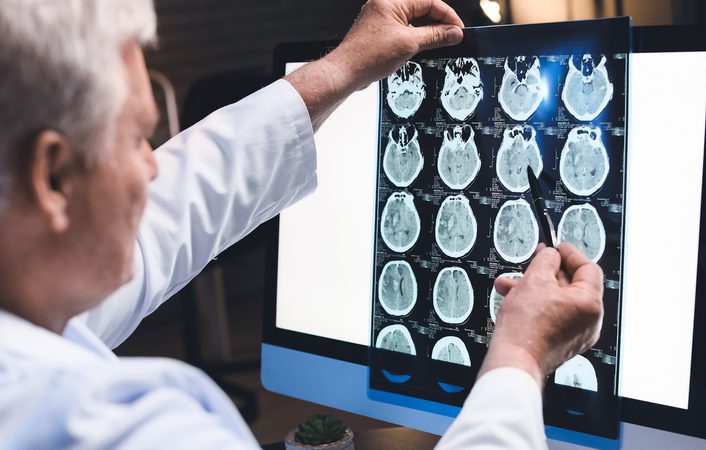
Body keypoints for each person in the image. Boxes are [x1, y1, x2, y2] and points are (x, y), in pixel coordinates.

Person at [0, 0, 603, 448]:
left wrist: (337, 71)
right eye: (137, 139)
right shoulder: (121, 430)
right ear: (52, 177)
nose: (153, 170)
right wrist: (521, 358)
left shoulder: (23, 291)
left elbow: (172, 210)